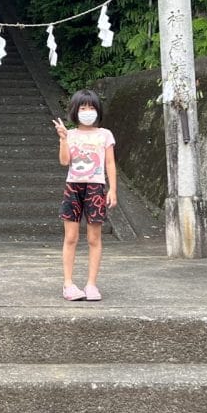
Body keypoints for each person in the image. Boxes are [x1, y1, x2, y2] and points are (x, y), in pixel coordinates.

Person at [52, 88, 117, 301]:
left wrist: (113, 190)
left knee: (94, 238)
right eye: (83, 107)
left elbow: (109, 163)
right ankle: (68, 284)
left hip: (96, 188)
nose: (87, 111)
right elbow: (64, 161)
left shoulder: (105, 134)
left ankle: (91, 285)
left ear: (97, 110)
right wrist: (63, 139)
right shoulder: (70, 134)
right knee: (70, 237)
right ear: (75, 111)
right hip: (73, 187)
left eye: (91, 107)